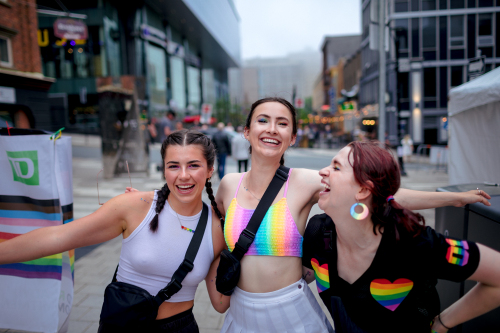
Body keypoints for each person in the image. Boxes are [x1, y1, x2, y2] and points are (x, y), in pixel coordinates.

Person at [214, 97, 490, 333]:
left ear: (293, 137)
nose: (272, 129)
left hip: (292, 312)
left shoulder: (304, 181)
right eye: (263, 120)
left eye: (283, 123)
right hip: (241, 313)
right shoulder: (228, 185)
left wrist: (454, 198)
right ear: (247, 131)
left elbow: (383, 193)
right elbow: (213, 243)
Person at [0, 129, 230, 332]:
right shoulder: (134, 207)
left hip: (181, 327)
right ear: (163, 170)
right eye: (173, 166)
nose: (183, 175)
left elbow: (220, 304)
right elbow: (59, 236)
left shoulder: (217, 227)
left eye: (193, 165)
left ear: (210, 170)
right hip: (124, 324)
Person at [302, 141, 500, 333]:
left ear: (363, 190)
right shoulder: (319, 232)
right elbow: (302, 276)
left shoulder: (413, 243)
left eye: (336, 167)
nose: (322, 171)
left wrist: (443, 322)